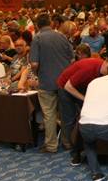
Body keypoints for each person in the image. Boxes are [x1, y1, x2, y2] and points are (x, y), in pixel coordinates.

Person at [57, 55, 108, 166]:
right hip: (66, 87)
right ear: (106, 63)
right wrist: (85, 99)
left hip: (82, 86)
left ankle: (99, 148)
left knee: (93, 114)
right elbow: (68, 86)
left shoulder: (105, 72)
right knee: (70, 119)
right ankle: (73, 150)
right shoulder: (88, 69)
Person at [30, 13, 75, 154]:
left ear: (37, 25)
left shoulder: (37, 38)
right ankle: (68, 142)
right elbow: (72, 59)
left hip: (46, 82)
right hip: (64, 82)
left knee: (49, 114)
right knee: (66, 113)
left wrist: (37, 74)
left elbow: (34, 64)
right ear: (51, 23)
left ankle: (51, 145)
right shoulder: (62, 37)